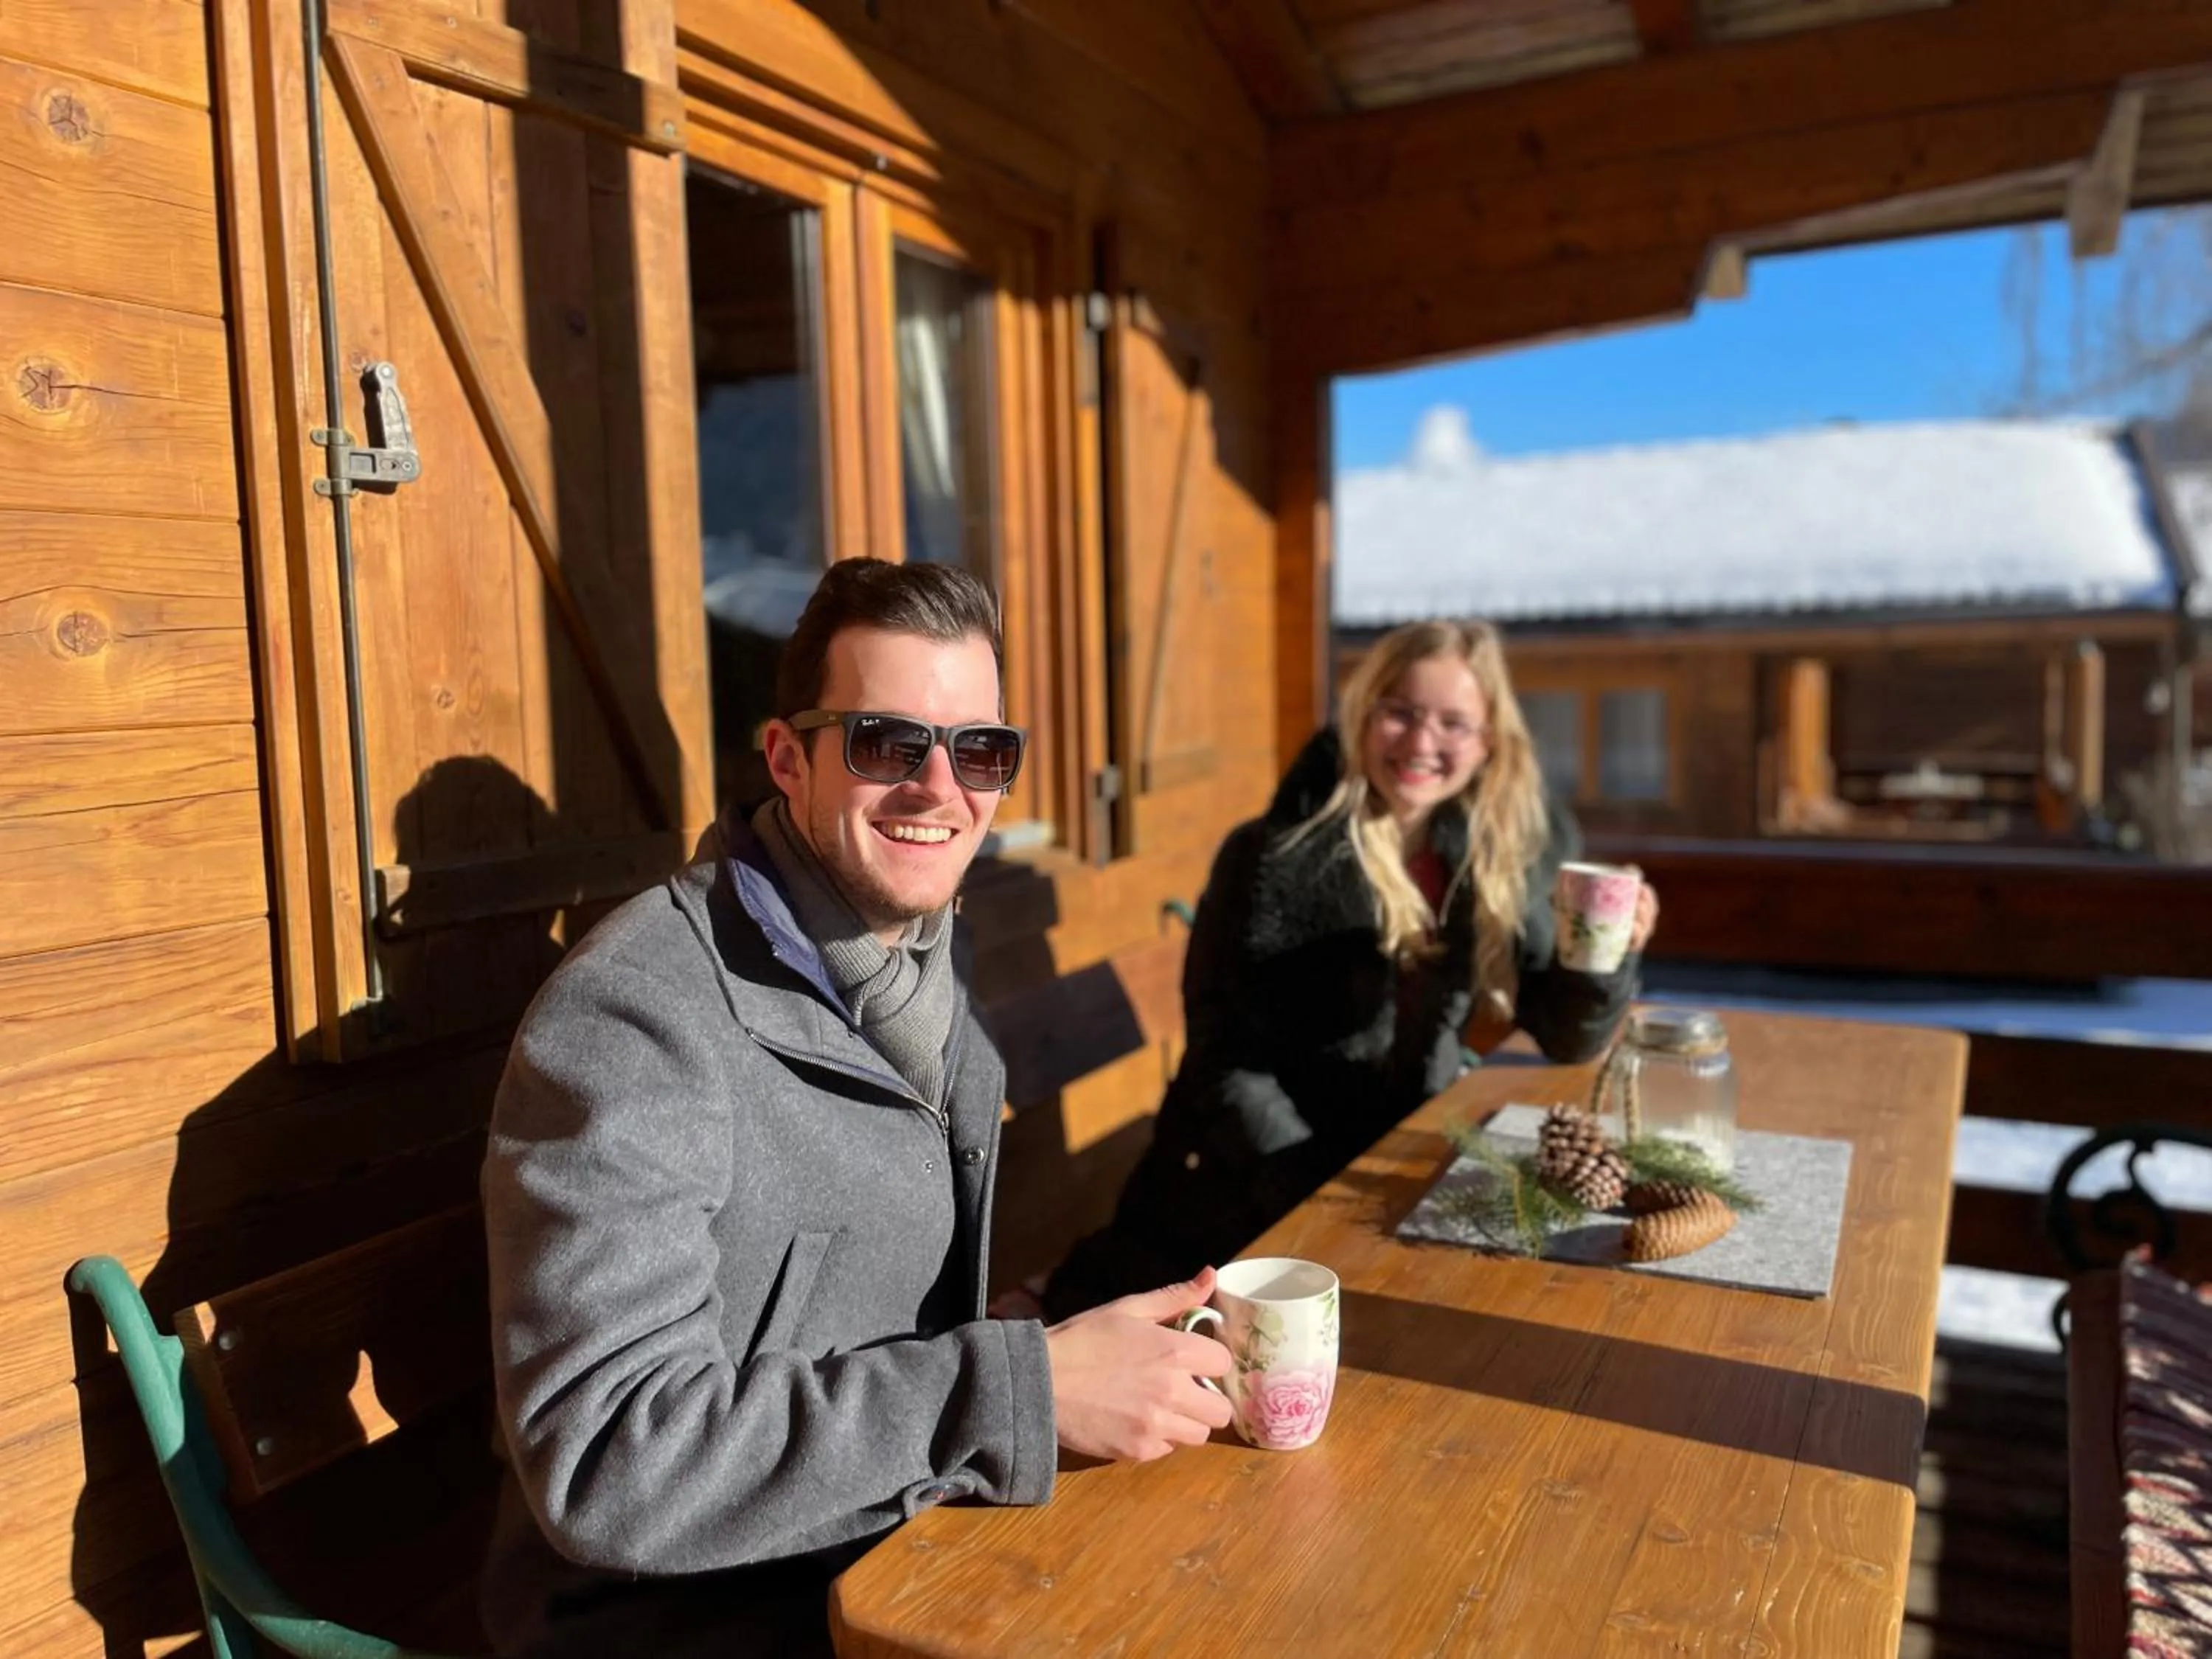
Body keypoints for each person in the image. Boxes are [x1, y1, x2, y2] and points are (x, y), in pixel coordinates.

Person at [479, 558, 1233, 1658]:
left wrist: (1029, 1355)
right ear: (789, 758)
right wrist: (1018, 1391)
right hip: (683, 1621)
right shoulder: (639, 1016)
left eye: (982, 750)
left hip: (879, 1554)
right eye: (887, 743)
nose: (941, 788)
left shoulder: (910, 967)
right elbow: (607, 1463)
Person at [1040, 618, 1658, 1321]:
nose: (1423, 743)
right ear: (1363, 714)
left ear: (1488, 743)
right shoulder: (1271, 855)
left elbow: (1570, 1036)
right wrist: (1311, 1190)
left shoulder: (1504, 850)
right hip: (1256, 1183)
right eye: (1401, 712)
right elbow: (1223, 1058)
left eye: (1454, 723)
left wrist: (1605, 953)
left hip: (1409, 1167)